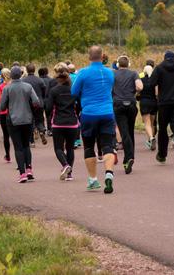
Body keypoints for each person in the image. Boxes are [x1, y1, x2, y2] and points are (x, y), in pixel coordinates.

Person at [72, 46, 117, 194]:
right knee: (107, 145)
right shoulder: (110, 73)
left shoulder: (84, 73)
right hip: (107, 112)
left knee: (89, 146)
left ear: (89, 57)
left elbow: (74, 92)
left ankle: (93, 180)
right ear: (103, 56)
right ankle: (109, 173)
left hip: (89, 113)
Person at [0, 66, 40, 183]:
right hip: (27, 119)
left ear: (11, 76)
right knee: (26, 145)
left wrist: (9, 105)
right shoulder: (28, 87)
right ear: (21, 74)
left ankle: (22, 173)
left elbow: (2, 106)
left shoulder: (7, 88)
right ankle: (29, 169)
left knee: (18, 147)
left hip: (13, 120)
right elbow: (36, 101)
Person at [46, 63, 79, 181]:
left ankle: (65, 165)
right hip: (72, 122)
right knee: (70, 148)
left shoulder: (54, 91)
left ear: (57, 78)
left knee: (58, 148)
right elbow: (79, 105)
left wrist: (48, 117)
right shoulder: (74, 90)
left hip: (58, 122)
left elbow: (49, 107)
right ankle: (69, 174)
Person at [112, 55, 142, 175]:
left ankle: (128, 158)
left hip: (118, 105)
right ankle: (130, 158)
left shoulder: (113, 74)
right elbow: (140, 86)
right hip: (131, 104)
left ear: (118, 65)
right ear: (128, 64)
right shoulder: (134, 73)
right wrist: (135, 92)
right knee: (130, 131)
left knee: (124, 132)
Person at [22, 63, 48, 146]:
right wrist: (42, 99)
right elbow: (44, 91)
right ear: (34, 70)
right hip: (39, 103)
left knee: (29, 121)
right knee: (39, 119)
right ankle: (41, 130)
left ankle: (32, 141)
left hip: (28, 103)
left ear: (26, 70)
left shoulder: (24, 80)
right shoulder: (40, 80)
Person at [138, 61, 158, 150]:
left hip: (144, 102)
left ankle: (151, 138)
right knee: (153, 123)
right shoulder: (155, 81)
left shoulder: (141, 80)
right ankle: (151, 138)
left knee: (147, 123)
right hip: (154, 102)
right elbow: (157, 93)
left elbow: (138, 92)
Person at [0, 68, 13, 163]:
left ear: (1, 77)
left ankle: (8, 155)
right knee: (15, 135)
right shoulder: (13, 86)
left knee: (6, 135)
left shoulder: (0, 87)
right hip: (14, 111)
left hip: (4, 112)